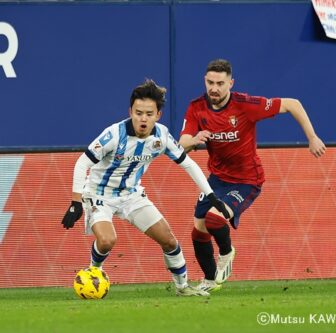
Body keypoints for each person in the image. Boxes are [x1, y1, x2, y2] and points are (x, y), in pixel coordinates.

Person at [61, 79, 228, 297]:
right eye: (138, 112)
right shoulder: (114, 134)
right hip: (99, 195)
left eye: (149, 114)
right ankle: (95, 270)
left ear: (158, 115)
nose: (143, 118)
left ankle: (182, 287)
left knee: (169, 240)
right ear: (130, 111)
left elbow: (187, 162)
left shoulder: (162, 136)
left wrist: (211, 195)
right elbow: (83, 162)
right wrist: (76, 202)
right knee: (107, 240)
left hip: (132, 196)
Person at [179, 59, 326, 292]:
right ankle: (209, 280)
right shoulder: (197, 106)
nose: (214, 88)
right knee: (198, 229)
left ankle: (227, 253)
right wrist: (194, 140)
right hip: (216, 179)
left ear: (230, 83)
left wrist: (312, 137)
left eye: (220, 83)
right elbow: (182, 143)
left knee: (214, 219)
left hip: (247, 180)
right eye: (210, 82)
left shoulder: (246, 105)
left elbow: (293, 104)